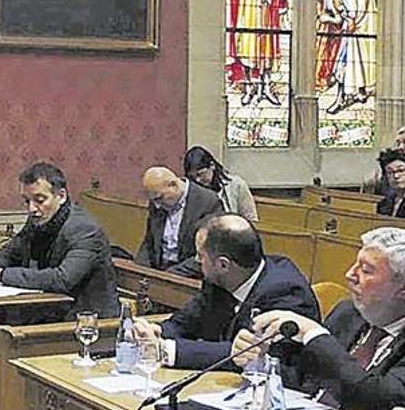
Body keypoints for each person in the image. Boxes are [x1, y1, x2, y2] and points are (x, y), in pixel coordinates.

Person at [232, 227, 405, 410]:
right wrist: (260, 361)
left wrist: (313, 335)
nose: (349, 275)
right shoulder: (350, 313)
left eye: (366, 270)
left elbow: (375, 400)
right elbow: (306, 378)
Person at [133, 213, 319, 374]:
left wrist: (166, 350)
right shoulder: (219, 281)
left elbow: (252, 354)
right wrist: (157, 331)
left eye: (201, 256)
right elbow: (186, 321)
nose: (196, 261)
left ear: (223, 265)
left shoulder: (286, 292)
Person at [0, 162, 120, 319]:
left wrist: (3, 274)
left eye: (40, 200)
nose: (32, 209)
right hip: (54, 309)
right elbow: (12, 250)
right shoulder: (38, 220)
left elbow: (62, 279)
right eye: (27, 201)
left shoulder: (85, 230)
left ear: (61, 196)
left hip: (88, 321)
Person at [135, 166, 223, 278]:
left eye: (159, 198)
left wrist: (169, 276)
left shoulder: (208, 201)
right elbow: (149, 242)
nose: (156, 205)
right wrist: (140, 270)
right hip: (159, 270)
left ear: (173, 185)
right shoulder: (158, 202)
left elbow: (206, 254)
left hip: (188, 276)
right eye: (153, 201)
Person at [183, 146, 258, 222]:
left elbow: (251, 219)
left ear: (212, 166)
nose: (197, 180)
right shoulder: (191, 192)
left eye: (200, 174)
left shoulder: (237, 185)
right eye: (192, 177)